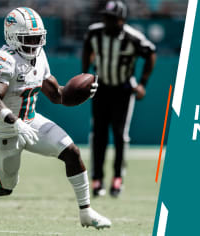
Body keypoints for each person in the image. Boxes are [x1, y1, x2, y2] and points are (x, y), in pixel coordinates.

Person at [0, 7, 111, 229]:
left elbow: (57, 95)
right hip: (4, 130)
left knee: (72, 152)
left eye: (38, 38)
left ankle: (86, 212)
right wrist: (14, 122)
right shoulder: (3, 59)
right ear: (11, 36)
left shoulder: (39, 55)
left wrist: (82, 93)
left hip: (31, 121)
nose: (34, 43)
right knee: (5, 187)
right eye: (28, 38)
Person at [82, 1, 156, 197]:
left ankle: (117, 178)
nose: (106, 21)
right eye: (105, 17)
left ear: (121, 20)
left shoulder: (133, 37)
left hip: (123, 89)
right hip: (102, 88)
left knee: (120, 134)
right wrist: (84, 75)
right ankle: (97, 179)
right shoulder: (95, 32)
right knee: (98, 135)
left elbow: (150, 53)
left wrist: (142, 84)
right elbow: (87, 48)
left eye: (111, 18)